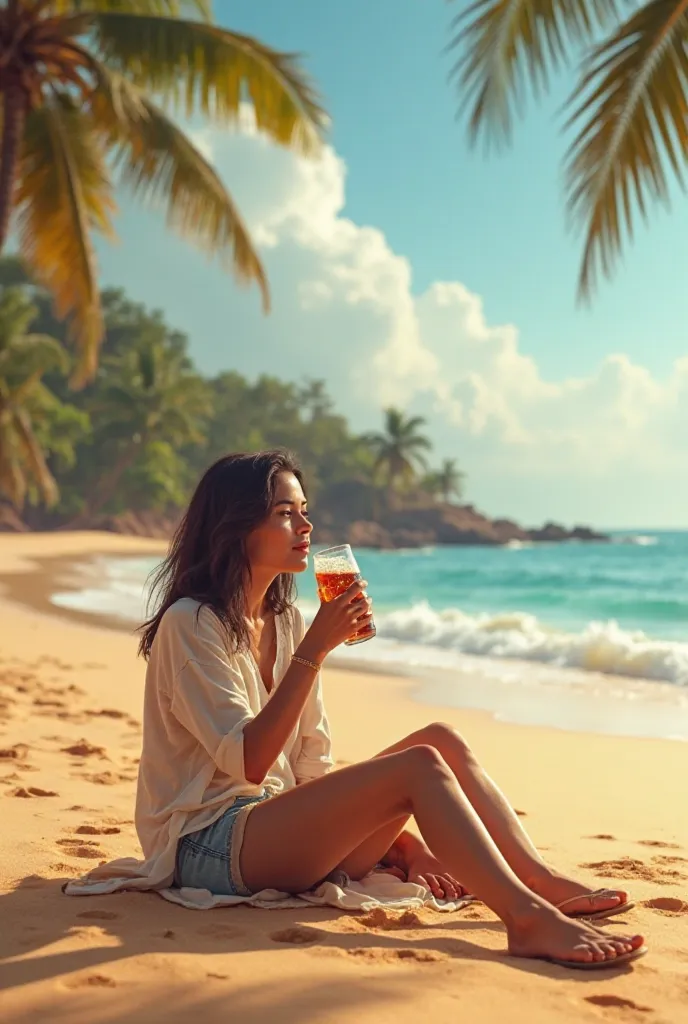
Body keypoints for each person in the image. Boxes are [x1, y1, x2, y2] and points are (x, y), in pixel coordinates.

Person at [133, 450, 645, 970]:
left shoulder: (285, 620)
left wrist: (397, 845)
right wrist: (316, 650)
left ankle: (536, 878)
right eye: (286, 513)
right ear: (235, 525)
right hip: (209, 846)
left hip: (275, 833)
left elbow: (311, 768)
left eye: (304, 509)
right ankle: (525, 917)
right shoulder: (192, 623)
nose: (306, 525)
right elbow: (249, 763)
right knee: (419, 766)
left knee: (440, 738)